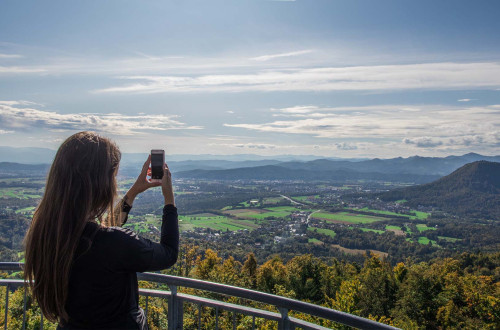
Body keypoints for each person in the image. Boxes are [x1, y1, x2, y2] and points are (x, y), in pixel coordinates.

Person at [23, 131, 179, 329]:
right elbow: (169, 253)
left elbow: (104, 229)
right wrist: (169, 200)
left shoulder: (49, 236)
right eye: (113, 176)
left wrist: (134, 190)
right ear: (100, 184)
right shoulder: (113, 244)